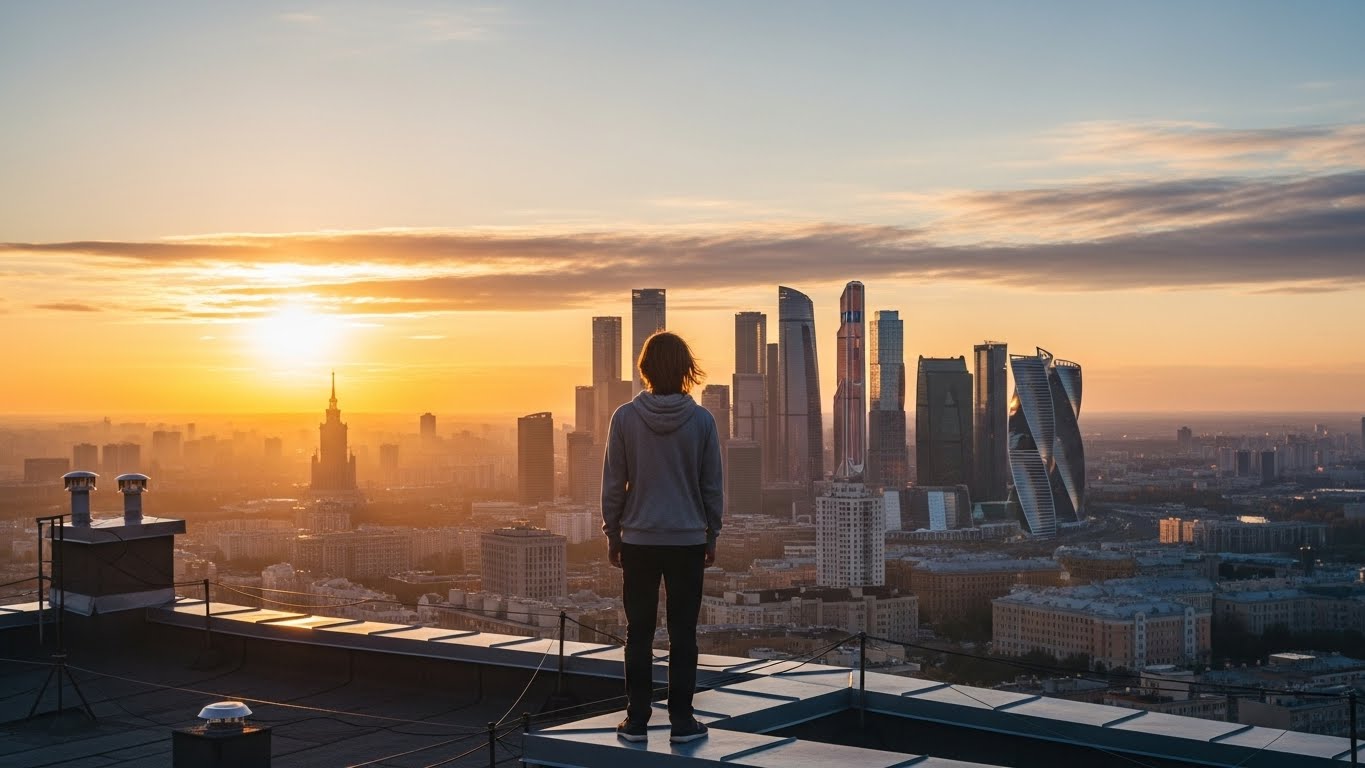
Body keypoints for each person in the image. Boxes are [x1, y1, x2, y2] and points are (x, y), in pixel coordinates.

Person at [601, 331, 722, 744]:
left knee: (639, 631)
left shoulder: (625, 418)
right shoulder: (703, 421)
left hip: (639, 539)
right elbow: (712, 486)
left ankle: (636, 721)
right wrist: (712, 533)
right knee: (683, 632)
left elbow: (614, 483)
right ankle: (683, 722)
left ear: (645, 370)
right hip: (687, 540)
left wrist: (612, 531)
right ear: (686, 370)